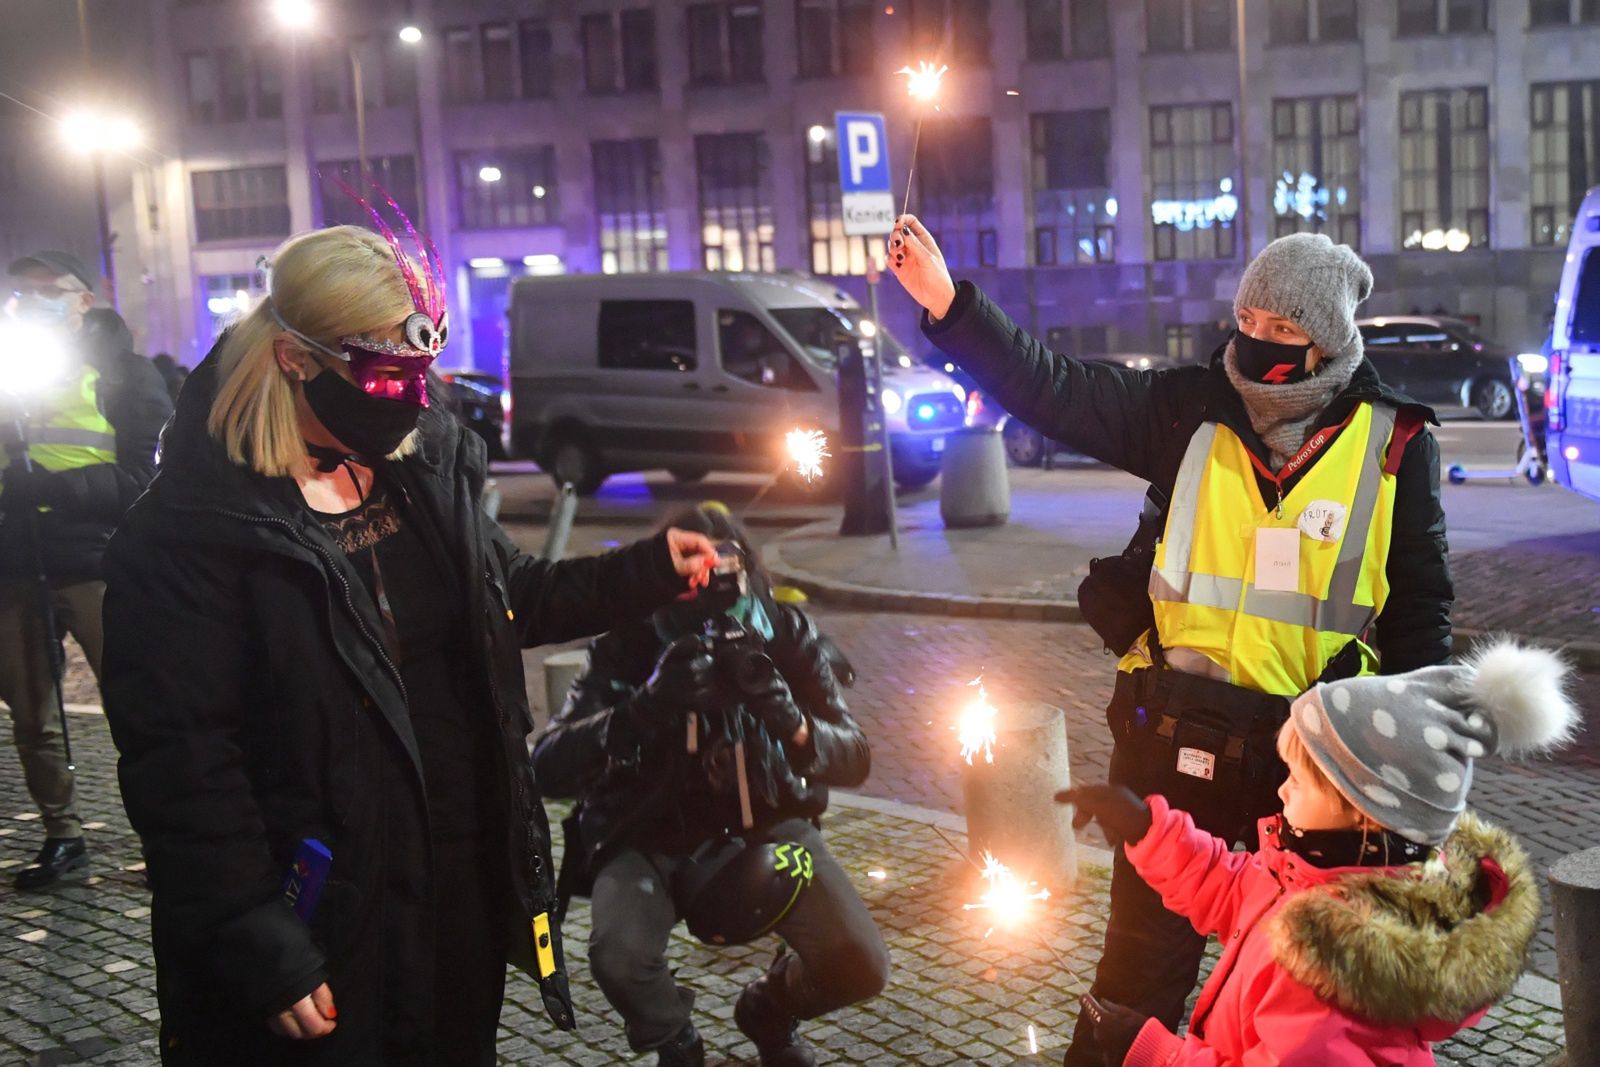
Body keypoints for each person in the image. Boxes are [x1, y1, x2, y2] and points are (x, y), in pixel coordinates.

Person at [99, 222, 719, 1066]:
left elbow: (507, 599)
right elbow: (185, 770)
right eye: (386, 374)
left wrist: (646, 571)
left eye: (418, 370)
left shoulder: (411, 469)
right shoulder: (189, 533)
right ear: (295, 357)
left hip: (455, 880)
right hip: (323, 907)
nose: (410, 399)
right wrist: (258, 937)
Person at [888, 218, 1453, 1064]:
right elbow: (1060, 388)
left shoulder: (1396, 446)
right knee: (1127, 995)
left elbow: (1420, 624)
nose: (1257, 343)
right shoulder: (1189, 411)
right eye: (1249, 322)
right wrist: (948, 306)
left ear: (1328, 342)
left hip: (1308, 785)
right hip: (1169, 752)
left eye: (1283, 331)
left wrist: (1416, 805)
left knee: (1295, 1003)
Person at [1058, 638, 1575, 1065]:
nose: (1282, 792)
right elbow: (1235, 889)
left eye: (1299, 783)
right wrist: (1147, 826)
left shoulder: (1340, 968)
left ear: (1364, 814)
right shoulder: (1315, 873)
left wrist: (1152, 1054)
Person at [534, 503, 888, 1067]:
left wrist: (790, 721)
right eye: (690, 574)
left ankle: (770, 1008)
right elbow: (547, 766)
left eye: (721, 571)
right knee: (619, 955)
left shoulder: (784, 633)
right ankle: (674, 1036)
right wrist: (646, 707)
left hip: (768, 820)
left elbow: (855, 758)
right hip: (645, 829)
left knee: (861, 962)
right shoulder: (628, 642)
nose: (708, 591)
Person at [1, 253, 172, 890]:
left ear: (83, 300)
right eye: (24, 290)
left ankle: (165, 838)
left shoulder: (126, 373)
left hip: (102, 562)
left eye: (51, 290)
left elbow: (147, 474)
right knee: (32, 717)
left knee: (138, 709)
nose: (34, 299)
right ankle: (63, 838)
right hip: (17, 565)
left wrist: (58, 488)